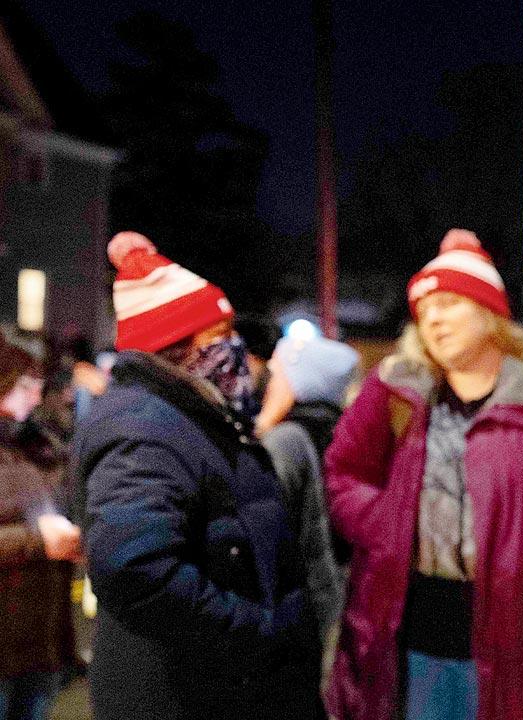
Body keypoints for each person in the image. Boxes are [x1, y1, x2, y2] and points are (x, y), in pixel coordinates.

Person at [324, 229, 523, 720]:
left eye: (449, 303)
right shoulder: (395, 390)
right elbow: (343, 473)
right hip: (402, 632)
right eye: (424, 309)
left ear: (488, 311)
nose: (433, 319)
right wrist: (384, 525)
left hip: (511, 636)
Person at [72, 232, 321, 720]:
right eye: (218, 336)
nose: (234, 348)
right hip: (186, 694)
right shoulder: (143, 430)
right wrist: (255, 628)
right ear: (176, 347)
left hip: (222, 688)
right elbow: (134, 570)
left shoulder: (191, 417)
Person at [256, 335, 359, 645]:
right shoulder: (343, 433)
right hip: (337, 596)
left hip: (296, 608)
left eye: (277, 374)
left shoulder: (285, 441)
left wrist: (262, 427)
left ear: (300, 383)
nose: (268, 384)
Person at [0, 343, 79, 720]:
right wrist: (39, 540)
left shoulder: (38, 445)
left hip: (39, 642)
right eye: (24, 384)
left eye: (38, 385)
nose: (35, 395)